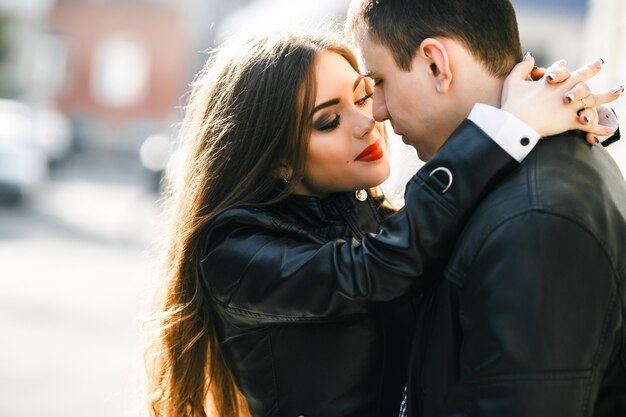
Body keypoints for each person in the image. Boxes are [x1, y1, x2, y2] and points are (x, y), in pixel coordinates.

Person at [146, 31, 615, 417]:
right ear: (277, 161)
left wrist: (564, 117)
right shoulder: (233, 252)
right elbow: (378, 268)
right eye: (328, 121)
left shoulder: (369, 214)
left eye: (365, 95)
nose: (367, 121)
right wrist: (504, 127)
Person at [346, 1, 626, 416]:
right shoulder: (511, 181)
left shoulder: (535, 221)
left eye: (380, 81)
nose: (379, 111)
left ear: (436, 64)